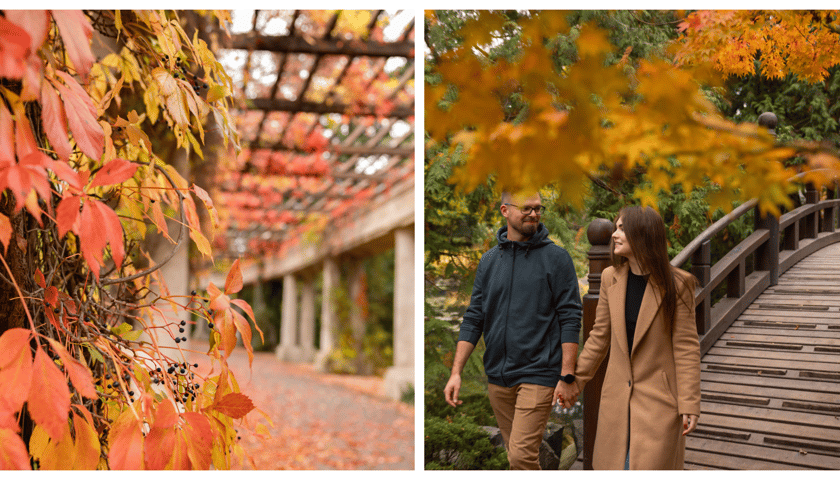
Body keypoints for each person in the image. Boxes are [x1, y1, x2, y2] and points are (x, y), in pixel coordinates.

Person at [444, 192, 582, 470]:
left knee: (520, 457)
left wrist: (567, 375)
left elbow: (570, 317)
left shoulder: (557, 259)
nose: (534, 214)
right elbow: (474, 318)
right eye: (527, 209)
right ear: (505, 210)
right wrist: (456, 372)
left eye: (538, 209)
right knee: (520, 459)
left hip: (539, 373)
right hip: (498, 376)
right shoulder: (489, 261)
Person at [574, 205, 701, 470]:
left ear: (642, 234)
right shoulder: (611, 278)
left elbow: (686, 347)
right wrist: (576, 381)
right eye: (615, 228)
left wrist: (689, 402)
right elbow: (599, 337)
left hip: (659, 402)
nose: (613, 235)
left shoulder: (678, 284)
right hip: (616, 400)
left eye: (621, 228)